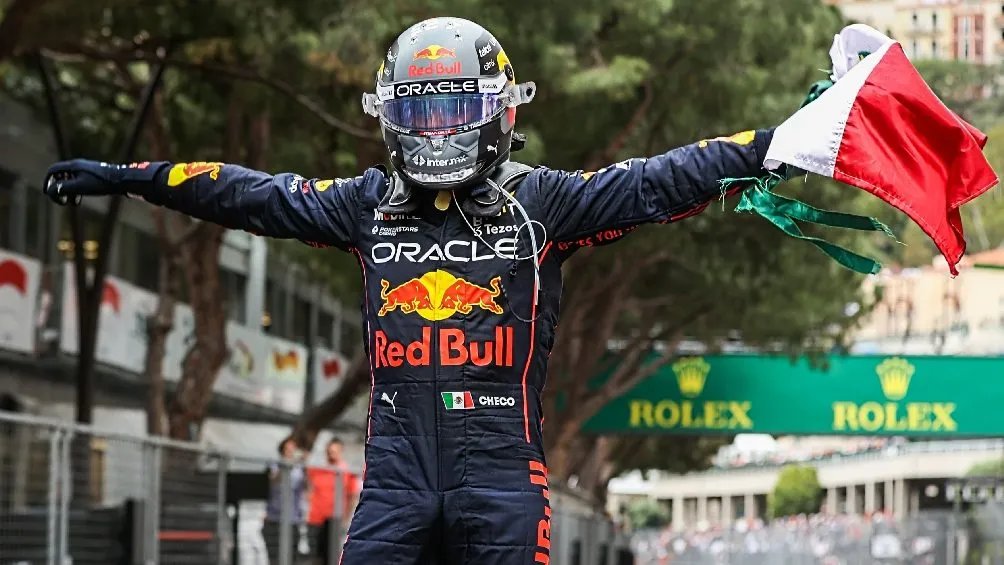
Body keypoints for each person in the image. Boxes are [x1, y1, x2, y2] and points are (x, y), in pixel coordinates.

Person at [42, 17, 786, 565]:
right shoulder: (364, 204)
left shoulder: (546, 201)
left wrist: (774, 149)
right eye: (421, 114)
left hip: (502, 478)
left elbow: (663, 180)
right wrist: (130, 177)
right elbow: (249, 194)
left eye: (456, 112)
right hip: (395, 477)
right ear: (390, 116)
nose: (438, 134)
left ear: (503, 111)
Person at [306, 438, 360, 563]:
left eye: (334, 452)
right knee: (315, 556)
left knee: (331, 556)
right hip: (315, 519)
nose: (331, 454)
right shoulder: (319, 470)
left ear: (341, 452)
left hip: (335, 520)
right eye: (329, 451)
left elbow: (353, 496)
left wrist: (345, 519)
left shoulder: (346, 472)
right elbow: (307, 485)